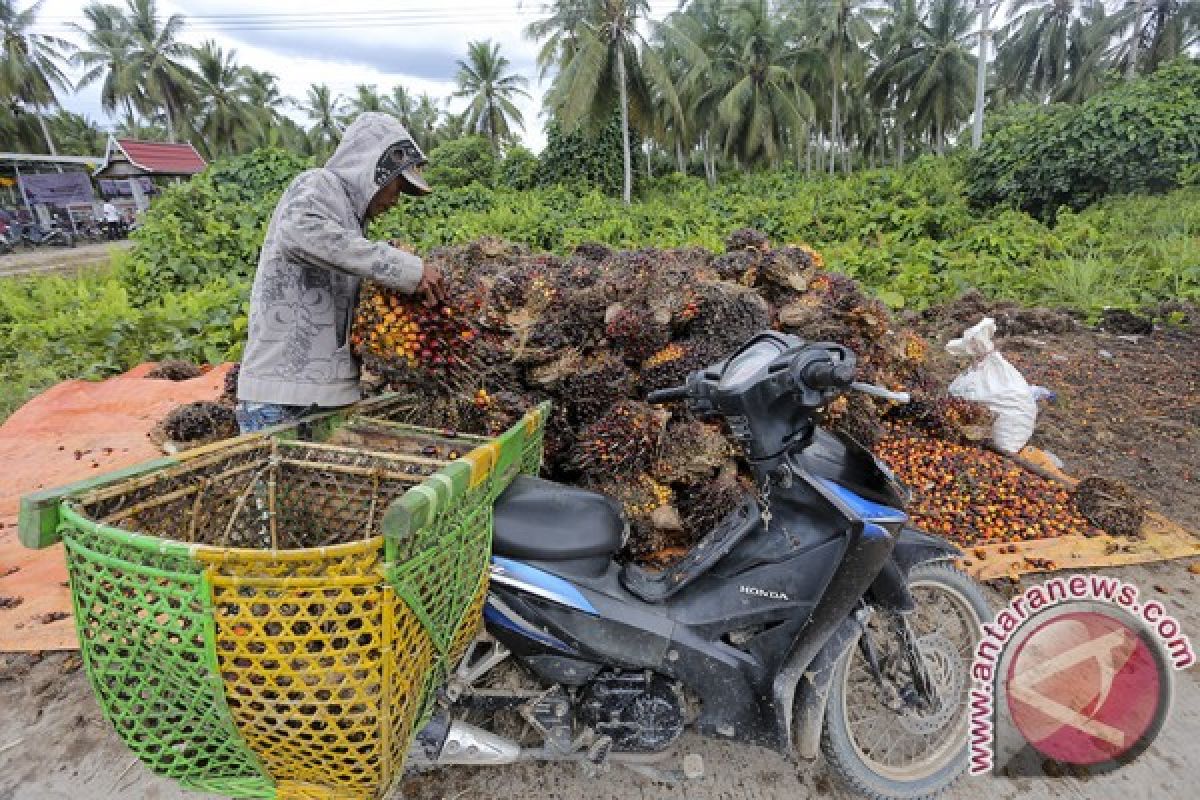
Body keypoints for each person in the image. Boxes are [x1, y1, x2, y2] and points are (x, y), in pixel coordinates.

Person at [236, 112, 446, 433]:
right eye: (397, 187)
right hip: (281, 398)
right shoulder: (319, 184)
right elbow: (299, 232)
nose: (395, 200)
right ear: (375, 169)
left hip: (323, 395)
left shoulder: (350, 219)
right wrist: (404, 268)